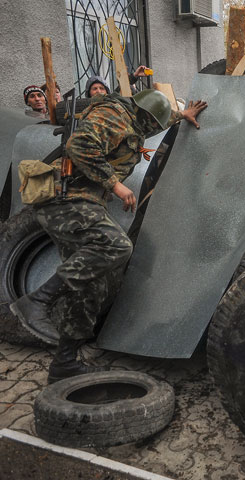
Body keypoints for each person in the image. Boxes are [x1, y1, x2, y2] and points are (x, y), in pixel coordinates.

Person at [10, 89, 207, 384]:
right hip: (65, 200)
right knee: (116, 245)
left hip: (82, 202)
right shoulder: (112, 115)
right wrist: (116, 185)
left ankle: (64, 363)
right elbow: (80, 146)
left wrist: (182, 115)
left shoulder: (137, 121)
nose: (155, 128)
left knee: (92, 286)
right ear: (143, 115)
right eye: (154, 123)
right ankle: (37, 300)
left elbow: (158, 121)